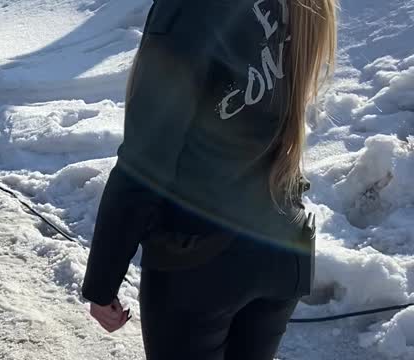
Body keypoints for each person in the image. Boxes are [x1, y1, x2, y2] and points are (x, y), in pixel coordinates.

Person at [81, 0, 338, 359]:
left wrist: (102, 282)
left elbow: (145, 162)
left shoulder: (187, 9)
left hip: (200, 262)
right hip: (282, 243)